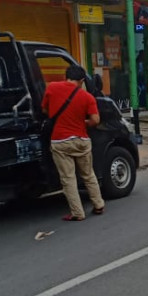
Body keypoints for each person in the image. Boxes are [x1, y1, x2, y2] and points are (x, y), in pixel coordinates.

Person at [41, 65, 105, 221]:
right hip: (82, 140)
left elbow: (45, 110)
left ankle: (78, 213)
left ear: (66, 76)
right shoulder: (87, 97)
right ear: (82, 81)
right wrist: (84, 122)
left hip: (61, 141)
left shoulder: (52, 88)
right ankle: (98, 204)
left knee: (68, 178)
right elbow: (96, 120)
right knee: (88, 174)